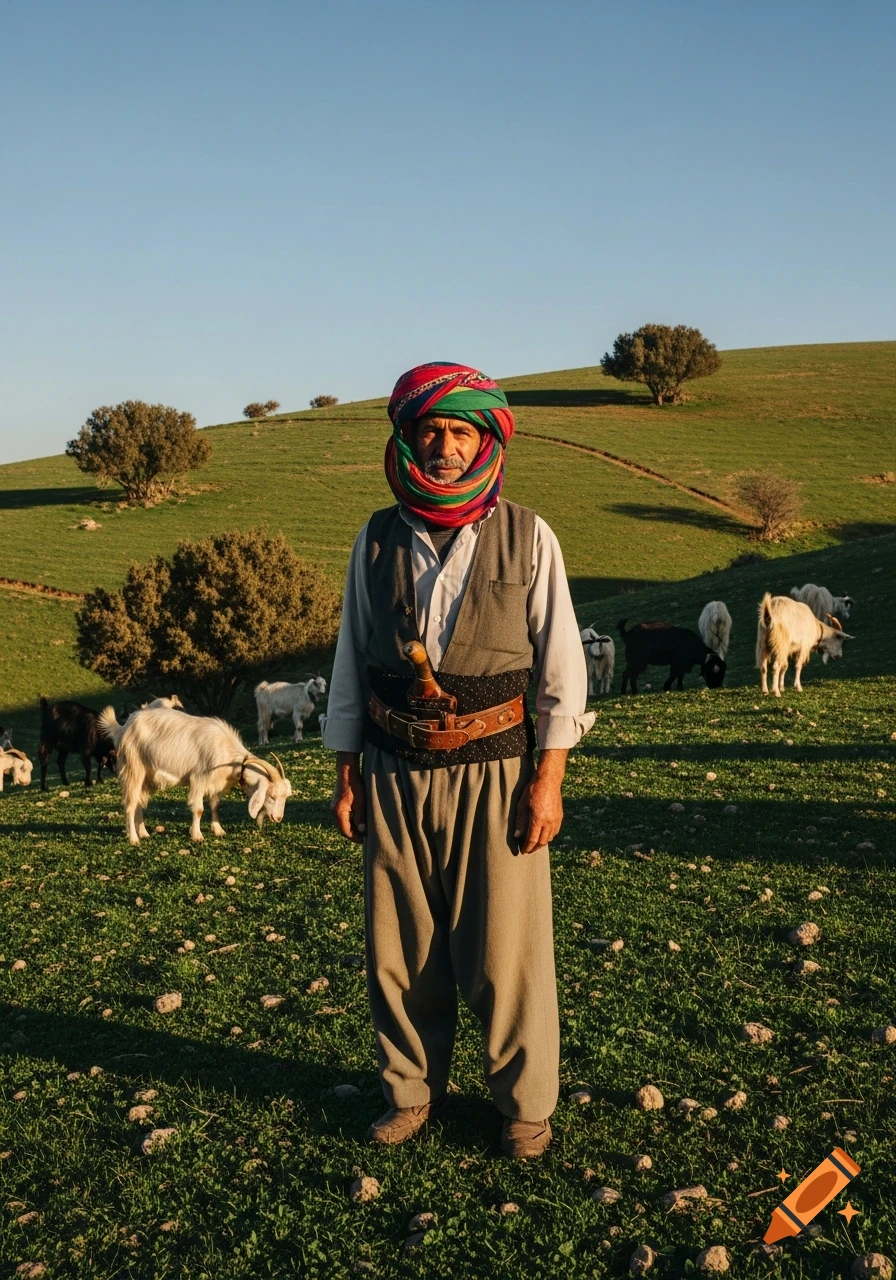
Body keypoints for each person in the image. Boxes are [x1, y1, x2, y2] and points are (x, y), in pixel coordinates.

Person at [321, 361, 594, 1159]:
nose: (445, 447)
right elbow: (350, 662)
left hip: (498, 773)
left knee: (507, 949)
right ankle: (411, 1093)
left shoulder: (529, 534)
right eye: (431, 431)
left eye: (460, 432)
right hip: (393, 769)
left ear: (485, 441)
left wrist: (548, 781)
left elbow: (562, 667)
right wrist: (346, 772)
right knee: (399, 946)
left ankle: (525, 1107)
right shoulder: (376, 538)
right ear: (409, 439)